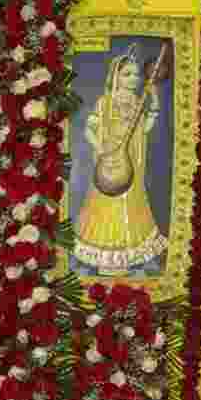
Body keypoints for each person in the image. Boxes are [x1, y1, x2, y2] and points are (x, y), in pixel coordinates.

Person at [73, 46, 169, 276]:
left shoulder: (138, 101)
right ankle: (104, 260)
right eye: (127, 74)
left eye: (136, 74)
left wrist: (153, 99)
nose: (133, 78)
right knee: (104, 208)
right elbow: (89, 131)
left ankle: (126, 258)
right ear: (115, 75)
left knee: (131, 207)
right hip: (109, 168)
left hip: (132, 165)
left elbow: (144, 129)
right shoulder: (104, 103)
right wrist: (104, 152)